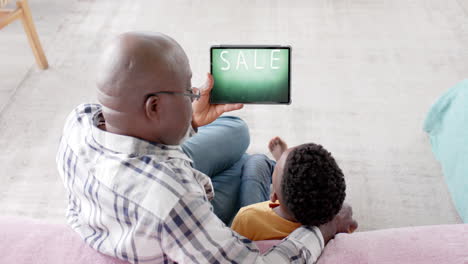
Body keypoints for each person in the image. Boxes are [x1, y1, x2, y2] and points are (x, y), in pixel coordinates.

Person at [56, 31, 357, 263]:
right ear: (154, 107)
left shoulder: (80, 120)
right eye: (188, 90)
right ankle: (259, 176)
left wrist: (194, 121)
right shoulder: (172, 197)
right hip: (162, 209)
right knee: (251, 164)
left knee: (238, 132)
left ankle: (258, 171)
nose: (196, 94)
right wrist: (322, 229)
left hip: (130, 193)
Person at [232, 137, 358, 241]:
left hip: (259, 223)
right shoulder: (337, 226)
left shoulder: (247, 218)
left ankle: (284, 170)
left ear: (274, 195)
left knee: (255, 162)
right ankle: (286, 172)